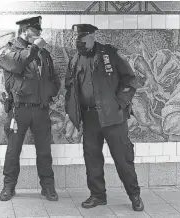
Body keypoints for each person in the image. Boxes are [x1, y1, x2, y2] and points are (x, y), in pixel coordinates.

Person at [63, 23, 144, 212]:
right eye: (76, 40)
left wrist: (121, 104)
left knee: (123, 158)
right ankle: (98, 195)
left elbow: (130, 80)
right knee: (92, 158)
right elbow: (69, 86)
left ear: (92, 37)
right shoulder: (75, 60)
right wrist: (72, 109)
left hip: (113, 117)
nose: (79, 43)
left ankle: (134, 195)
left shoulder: (110, 54)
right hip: (89, 117)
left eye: (82, 39)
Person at [0, 16, 61, 202]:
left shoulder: (43, 53)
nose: (39, 35)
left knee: (44, 150)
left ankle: (48, 187)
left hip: (40, 109)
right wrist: (35, 47)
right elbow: (18, 63)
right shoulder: (10, 50)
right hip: (18, 110)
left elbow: (54, 77)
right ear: (23, 30)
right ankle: (8, 186)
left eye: (39, 31)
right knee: (13, 150)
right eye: (35, 31)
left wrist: (50, 93)